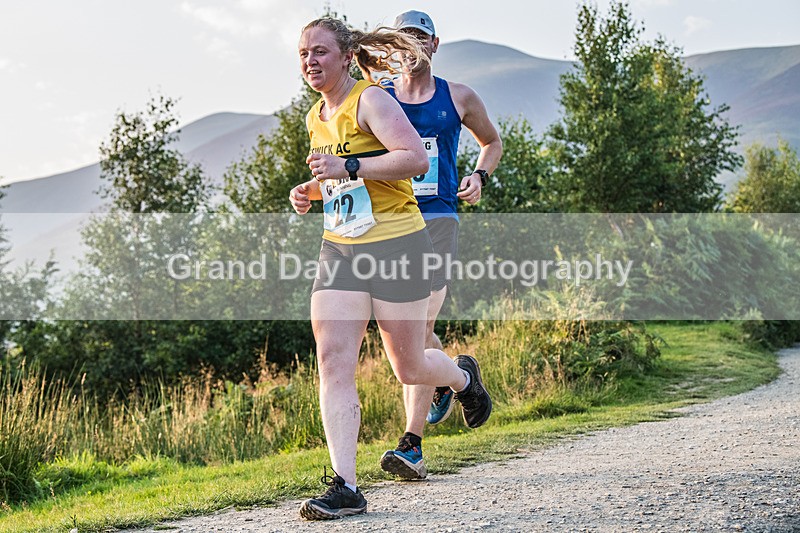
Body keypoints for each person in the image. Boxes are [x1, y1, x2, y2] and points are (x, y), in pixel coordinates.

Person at [289, 16, 493, 520]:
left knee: (409, 365)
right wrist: (310, 190)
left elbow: (412, 161)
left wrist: (350, 167)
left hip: (398, 244)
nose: (310, 61)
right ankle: (345, 484)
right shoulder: (317, 115)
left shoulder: (372, 101)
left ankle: (463, 379)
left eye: (319, 52)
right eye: (302, 54)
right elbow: (335, 176)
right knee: (333, 359)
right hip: (339, 248)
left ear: (343, 55)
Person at [379, 10, 503, 481]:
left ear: (434, 44)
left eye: (419, 37)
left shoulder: (460, 97)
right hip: (388, 223)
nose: (411, 45)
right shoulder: (379, 99)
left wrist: (478, 176)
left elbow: (491, 143)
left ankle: (410, 446)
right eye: (402, 38)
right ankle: (461, 377)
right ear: (393, 47)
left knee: (415, 330)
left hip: (436, 221)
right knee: (411, 337)